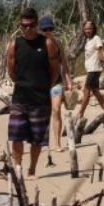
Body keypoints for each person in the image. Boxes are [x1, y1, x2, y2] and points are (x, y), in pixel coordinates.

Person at [6, 7, 60, 178]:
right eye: (24, 26)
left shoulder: (47, 44)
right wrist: (22, 84)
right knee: (16, 136)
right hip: (20, 97)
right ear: (20, 26)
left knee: (37, 138)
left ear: (37, 24)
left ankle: (32, 169)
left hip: (40, 99)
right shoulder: (15, 44)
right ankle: (17, 168)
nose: (27, 29)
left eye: (31, 25)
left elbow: (54, 70)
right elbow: (11, 71)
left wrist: (45, 86)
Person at [39, 16, 73, 152]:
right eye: (44, 29)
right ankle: (41, 142)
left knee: (56, 109)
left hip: (56, 82)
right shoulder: (36, 46)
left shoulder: (58, 44)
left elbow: (63, 63)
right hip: (40, 84)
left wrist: (68, 81)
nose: (47, 31)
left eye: (50, 28)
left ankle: (57, 143)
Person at [77, 20, 104, 116]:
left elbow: (101, 52)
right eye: (85, 29)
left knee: (86, 91)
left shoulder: (96, 38)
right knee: (95, 91)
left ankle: (80, 113)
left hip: (94, 69)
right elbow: (96, 55)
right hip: (91, 69)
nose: (87, 30)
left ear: (93, 28)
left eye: (89, 28)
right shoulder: (87, 40)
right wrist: (103, 62)